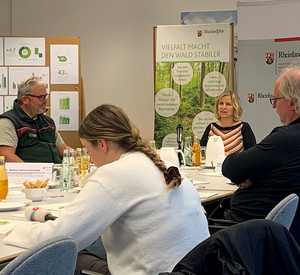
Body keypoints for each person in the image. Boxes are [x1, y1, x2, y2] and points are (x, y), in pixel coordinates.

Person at [4, 104, 210, 275]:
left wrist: (14, 232)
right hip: (194, 268)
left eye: (87, 150)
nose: (89, 158)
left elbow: (60, 238)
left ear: (102, 144)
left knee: (69, 257)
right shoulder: (161, 164)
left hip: (156, 271)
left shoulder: (115, 174)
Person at [222, 68, 300, 244]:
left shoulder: (285, 138)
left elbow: (231, 167)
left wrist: (247, 174)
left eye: (275, 99)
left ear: (292, 103)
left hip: (256, 234)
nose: (273, 105)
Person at [0, 76, 70, 163]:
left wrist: (84, 156)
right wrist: (31, 172)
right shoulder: (8, 121)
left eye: (46, 96)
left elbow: (63, 149)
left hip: (55, 172)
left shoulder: (48, 122)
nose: (45, 100)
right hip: (31, 175)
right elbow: (6, 155)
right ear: (25, 100)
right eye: (41, 97)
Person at [200, 90, 256, 155]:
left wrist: (231, 157)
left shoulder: (243, 128)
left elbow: (252, 156)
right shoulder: (211, 128)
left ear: (235, 107)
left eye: (228, 104)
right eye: (221, 103)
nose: (223, 107)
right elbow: (201, 152)